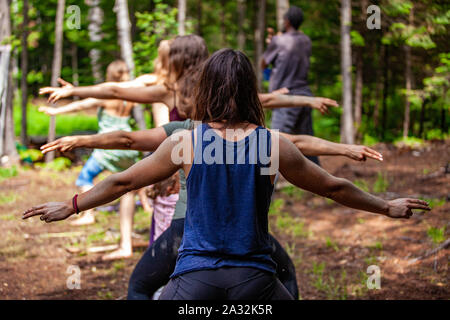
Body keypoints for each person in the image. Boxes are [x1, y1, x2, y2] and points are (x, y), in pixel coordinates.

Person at [24, 49, 429, 300]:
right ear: (250, 89)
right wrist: (387, 207)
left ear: (207, 90)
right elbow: (333, 187)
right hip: (255, 280)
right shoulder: (272, 144)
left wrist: (72, 204)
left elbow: (124, 181)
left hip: (194, 280)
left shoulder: (186, 142)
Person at [39, 60, 145, 261]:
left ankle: (88, 213)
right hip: (129, 146)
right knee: (129, 187)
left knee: (84, 177)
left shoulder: (106, 98)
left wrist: (56, 111)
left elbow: (82, 104)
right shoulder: (130, 98)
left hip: (109, 146)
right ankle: (132, 230)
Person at [262, 6, 320, 165]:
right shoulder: (306, 40)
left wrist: (271, 44)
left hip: (285, 98)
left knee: (275, 144)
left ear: (286, 21)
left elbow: (263, 63)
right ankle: (319, 185)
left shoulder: (278, 40)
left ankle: (269, 186)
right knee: (308, 143)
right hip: (305, 95)